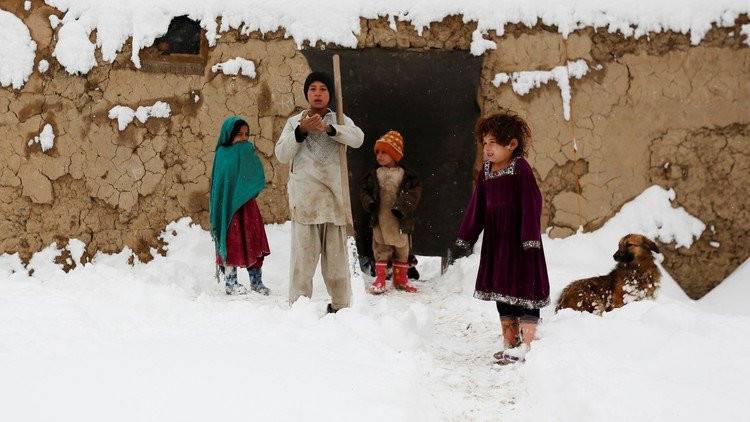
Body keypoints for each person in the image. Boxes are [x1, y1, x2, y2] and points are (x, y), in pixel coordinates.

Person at [455, 112, 550, 364]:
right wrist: (467, 234)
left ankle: (527, 345)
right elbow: (477, 206)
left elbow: (532, 202)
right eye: (485, 142)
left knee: (525, 292)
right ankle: (510, 344)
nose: (487, 148)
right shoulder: (486, 171)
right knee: (502, 293)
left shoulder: (520, 168)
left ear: (512, 144)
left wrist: (529, 237)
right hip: (497, 244)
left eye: (494, 143)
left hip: (521, 244)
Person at [274, 71, 364, 313]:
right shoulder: (294, 122)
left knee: (337, 266)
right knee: (302, 263)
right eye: (312, 88)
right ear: (306, 94)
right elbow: (281, 154)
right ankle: (299, 309)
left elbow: (358, 139)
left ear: (330, 95)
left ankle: (341, 308)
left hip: (334, 202)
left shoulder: (340, 120)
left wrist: (331, 129)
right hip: (305, 202)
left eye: (323, 89)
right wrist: (301, 131)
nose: (317, 93)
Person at [210, 116, 271, 295]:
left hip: (247, 206)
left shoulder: (246, 151)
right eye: (239, 134)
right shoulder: (222, 154)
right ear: (229, 135)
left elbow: (255, 174)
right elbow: (221, 184)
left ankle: (256, 282)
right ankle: (231, 283)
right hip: (228, 209)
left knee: (252, 240)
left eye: (246, 134)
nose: (244, 138)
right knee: (231, 242)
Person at [360, 130, 422, 294]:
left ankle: (400, 280)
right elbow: (364, 191)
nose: (379, 156)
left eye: (384, 152)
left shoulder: (406, 176)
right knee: (381, 248)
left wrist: (403, 206)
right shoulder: (374, 175)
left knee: (402, 249)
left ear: (395, 155)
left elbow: (414, 193)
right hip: (380, 219)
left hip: (400, 221)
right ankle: (380, 278)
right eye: (377, 152)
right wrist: (369, 203)